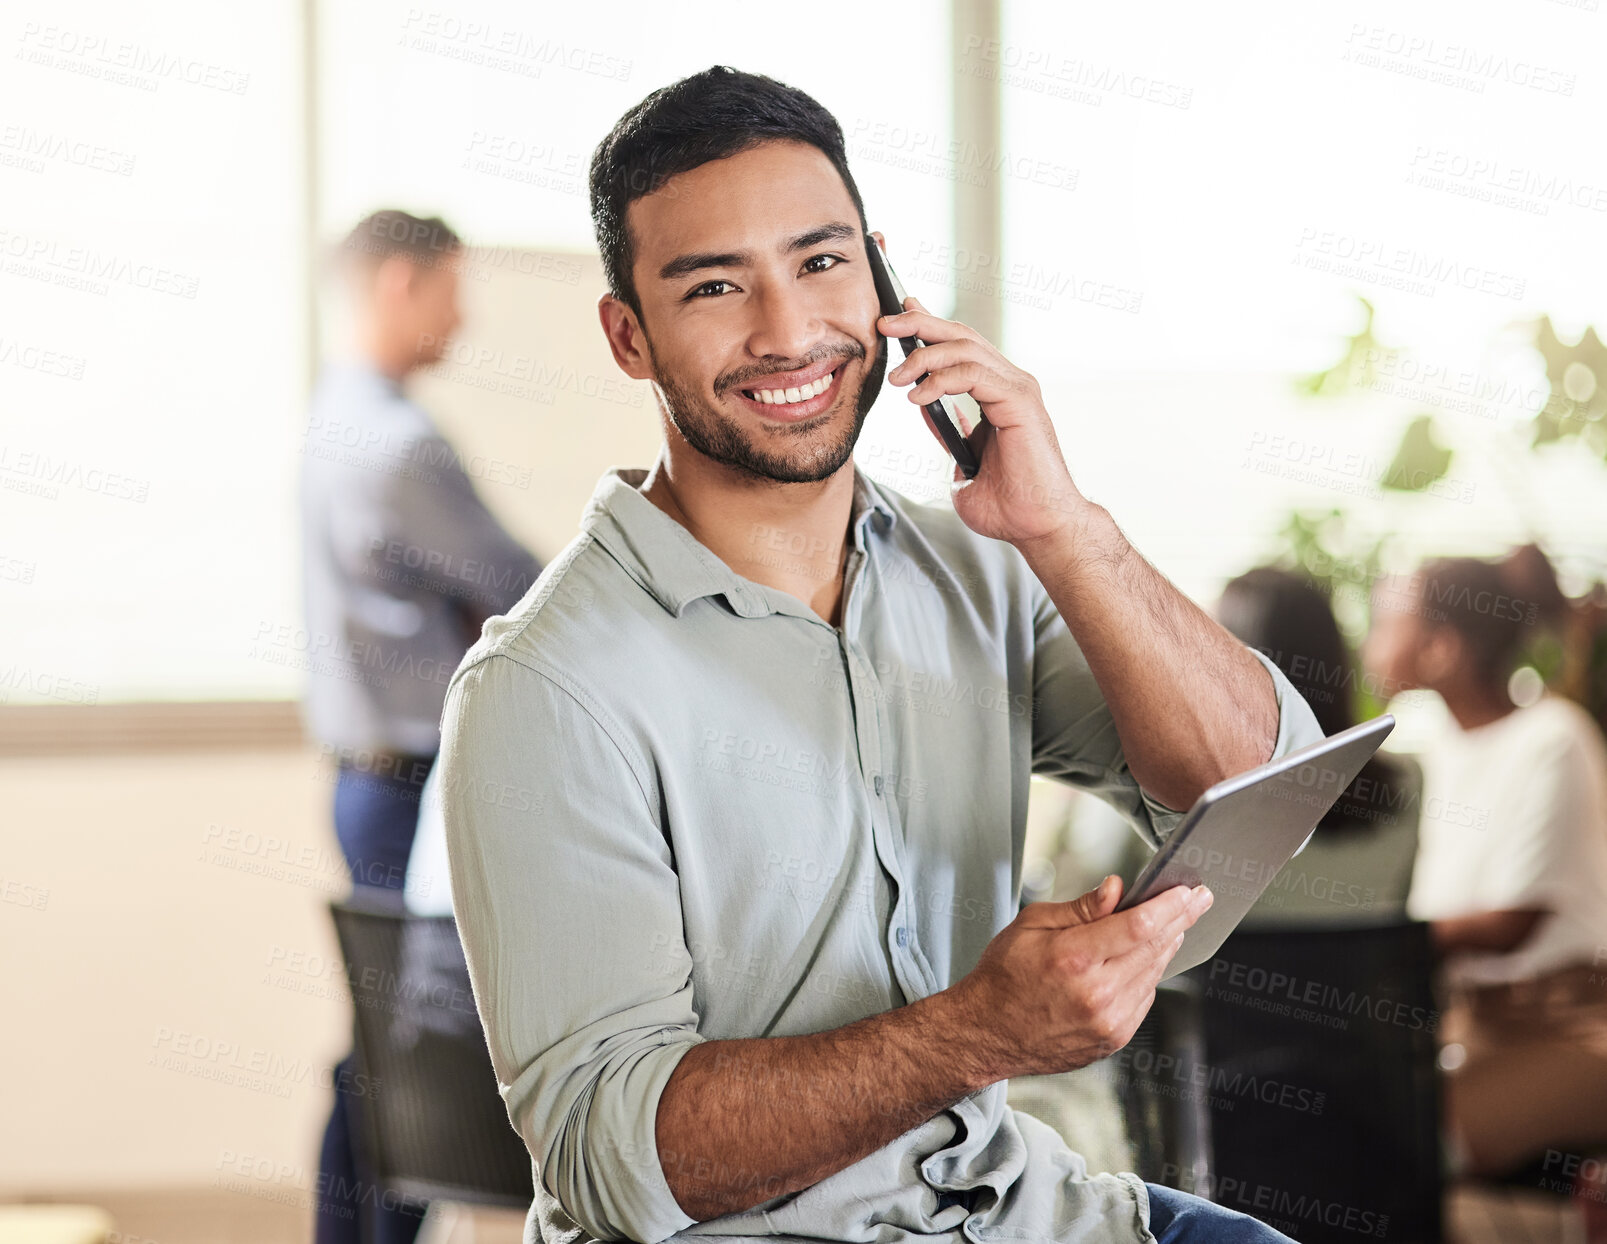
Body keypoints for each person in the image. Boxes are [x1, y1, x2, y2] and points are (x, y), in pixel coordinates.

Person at [438, 67, 1325, 1244]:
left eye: (820, 262)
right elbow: (612, 1151)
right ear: (628, 335)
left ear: (883, 276)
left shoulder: (984, 571)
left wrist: (1067, 527)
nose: (787, 330)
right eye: (714, 286)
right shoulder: (544, 688)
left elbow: (1255, 778)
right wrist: (975, 1031)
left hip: (1025, 1211)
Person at [299, 209, 543, 1244]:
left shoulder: (336, 414)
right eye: (451, 286)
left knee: (384, 1044)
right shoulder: (395, 441)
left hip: (374, 779)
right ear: (400, 281)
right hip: (411, 787)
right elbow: (520, 590)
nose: (463, 313)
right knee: (411, 1052)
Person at [1362, 548, 1607, 1181]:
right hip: (1465, 1027)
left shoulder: (1554, 738)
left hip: (1569, 1030)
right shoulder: (1421, 740)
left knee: (1414, 1138)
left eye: (1387, 620)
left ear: (1442, 648)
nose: (1372, 637)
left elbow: (1510, 924)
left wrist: (1373, 945)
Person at [1214, 567, 1420, 927]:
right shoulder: (1409, 783)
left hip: (1208, 983)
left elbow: (1097, 882)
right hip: (1355, 983)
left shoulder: (1179, 796)